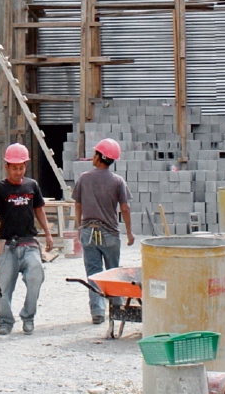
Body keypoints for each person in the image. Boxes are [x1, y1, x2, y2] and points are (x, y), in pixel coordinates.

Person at [0, 143, 54, 335]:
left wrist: (47, 233)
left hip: (29, 243)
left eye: (21, 167)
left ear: (26, 166)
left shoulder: (32, 186)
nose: (18, 171)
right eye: (14, 167)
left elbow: (39, 210)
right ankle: (5, 321)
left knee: (36, 277)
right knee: (5, 288)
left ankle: (28, 317)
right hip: (7, 246)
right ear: (6, 166)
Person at [72, 138, 135, 324]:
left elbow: (77, 204)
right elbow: (125, 208)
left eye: (95, 153)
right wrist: (130, 233)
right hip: (110, 234)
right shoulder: (117, 181)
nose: (92, 156)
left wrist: (79, 226)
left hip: (89, 232)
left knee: (94, 272)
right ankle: (117, 309)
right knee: (113, 272)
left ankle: (97, 312)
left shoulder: (84, 178)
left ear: (101, 157)